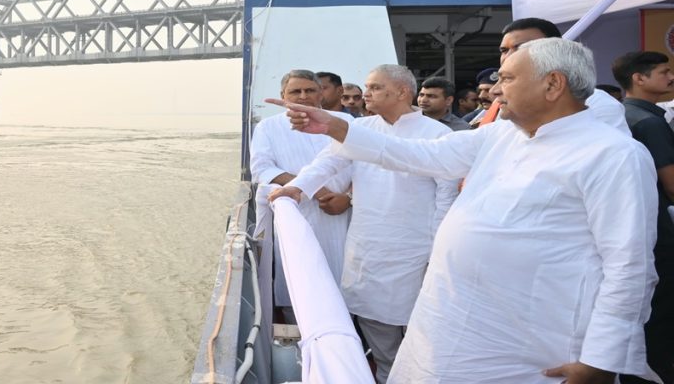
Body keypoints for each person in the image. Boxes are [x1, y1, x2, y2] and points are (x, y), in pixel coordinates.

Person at [269, 38, 658, 384]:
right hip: (454, 321)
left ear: (552, 84)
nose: (493, 91)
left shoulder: (612, 155)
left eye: (507, 79)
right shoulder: (502, 134)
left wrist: (600, 361)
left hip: (533, 340)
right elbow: (417, 154)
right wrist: (335, 127)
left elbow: (629, 268)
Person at [278, 65, 459, 384]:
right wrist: (296, 188)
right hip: (368, 246)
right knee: (379, 332)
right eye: (366, 87)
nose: (366, 94)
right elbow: (329, 162)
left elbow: (446, 200)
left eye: (375, 87)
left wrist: (440, 249)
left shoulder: (437, 135)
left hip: (418, 249)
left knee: (428, 331)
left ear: (402, 92)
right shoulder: (360, 130)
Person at [250, 70, 353, 317]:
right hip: (297, 213)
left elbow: (367, 168)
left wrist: (348, 198)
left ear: (321, 93)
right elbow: (262, 169)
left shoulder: (344, 123)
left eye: (310, 90)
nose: (303, 96)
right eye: (296, 91)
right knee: (299, 276)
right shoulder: (268, 127)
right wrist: (312, 188)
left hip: (345, 213)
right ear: (283, 95)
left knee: (346, 279)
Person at [613, 51, 674, 383]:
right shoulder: (649, 121)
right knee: (660, 321)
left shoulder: (623, 115)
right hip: (661, 233)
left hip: (637, 230)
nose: (671, 77)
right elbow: (671, 183)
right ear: (639, 77)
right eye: (664, 72)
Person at [496, 18, 630, 133]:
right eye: (504, 50)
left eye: (522, 47)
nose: (509, 56)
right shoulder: (505, 103)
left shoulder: (599, 103)